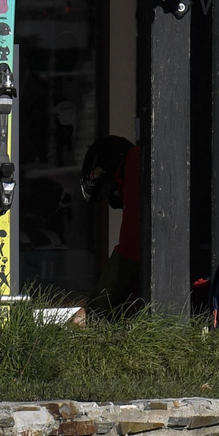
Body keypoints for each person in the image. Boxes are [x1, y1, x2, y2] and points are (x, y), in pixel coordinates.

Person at [77, 135, 140, 322]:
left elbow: (131, 248)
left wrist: (94, 310)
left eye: (107, 191)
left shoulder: (134, 162)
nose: (114, 198)